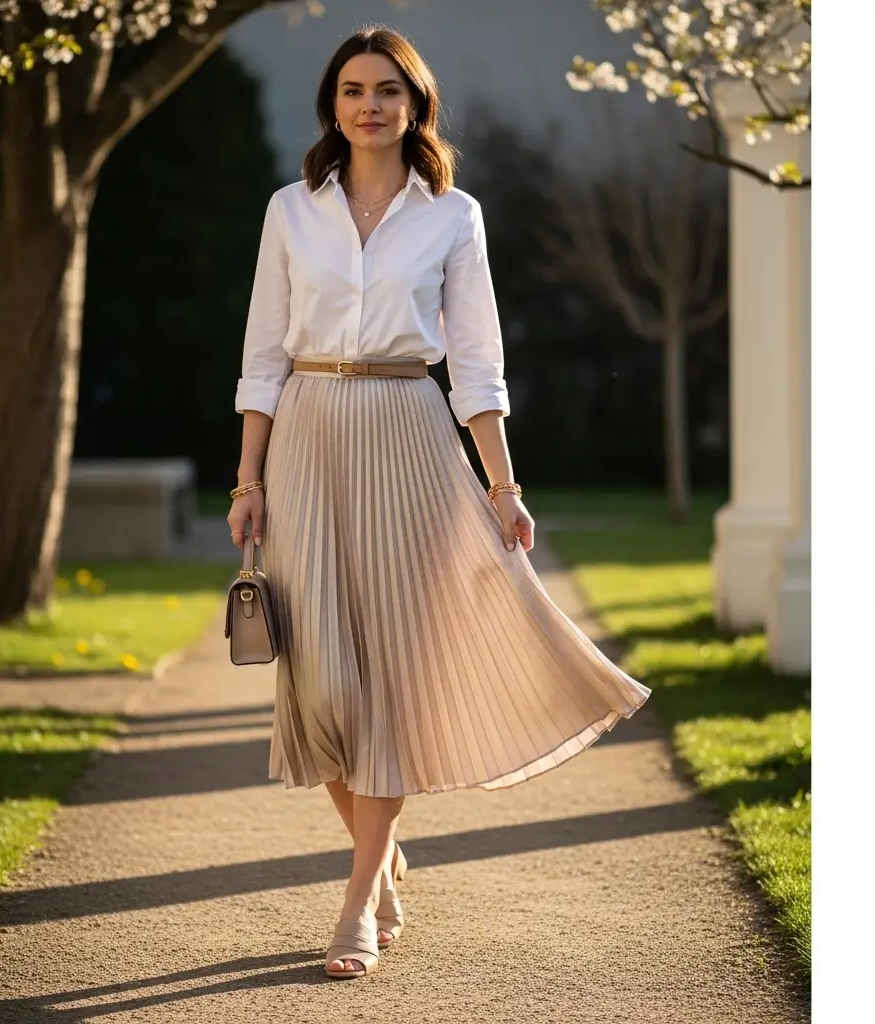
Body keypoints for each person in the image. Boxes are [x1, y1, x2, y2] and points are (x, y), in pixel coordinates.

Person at [228, 24, 651, 981]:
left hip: (412, 436)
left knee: (389, 684)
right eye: (351, 90)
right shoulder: (290, 212)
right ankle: (384, 859)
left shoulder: (453, 216)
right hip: (308, 435)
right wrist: (249, 481)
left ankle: (358, 905)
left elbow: (476, 361)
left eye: (387, 90)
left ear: (416, 105)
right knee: (322, 685)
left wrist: (502, 485)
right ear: (332, 107)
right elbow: (261, 352)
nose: (368, 105)